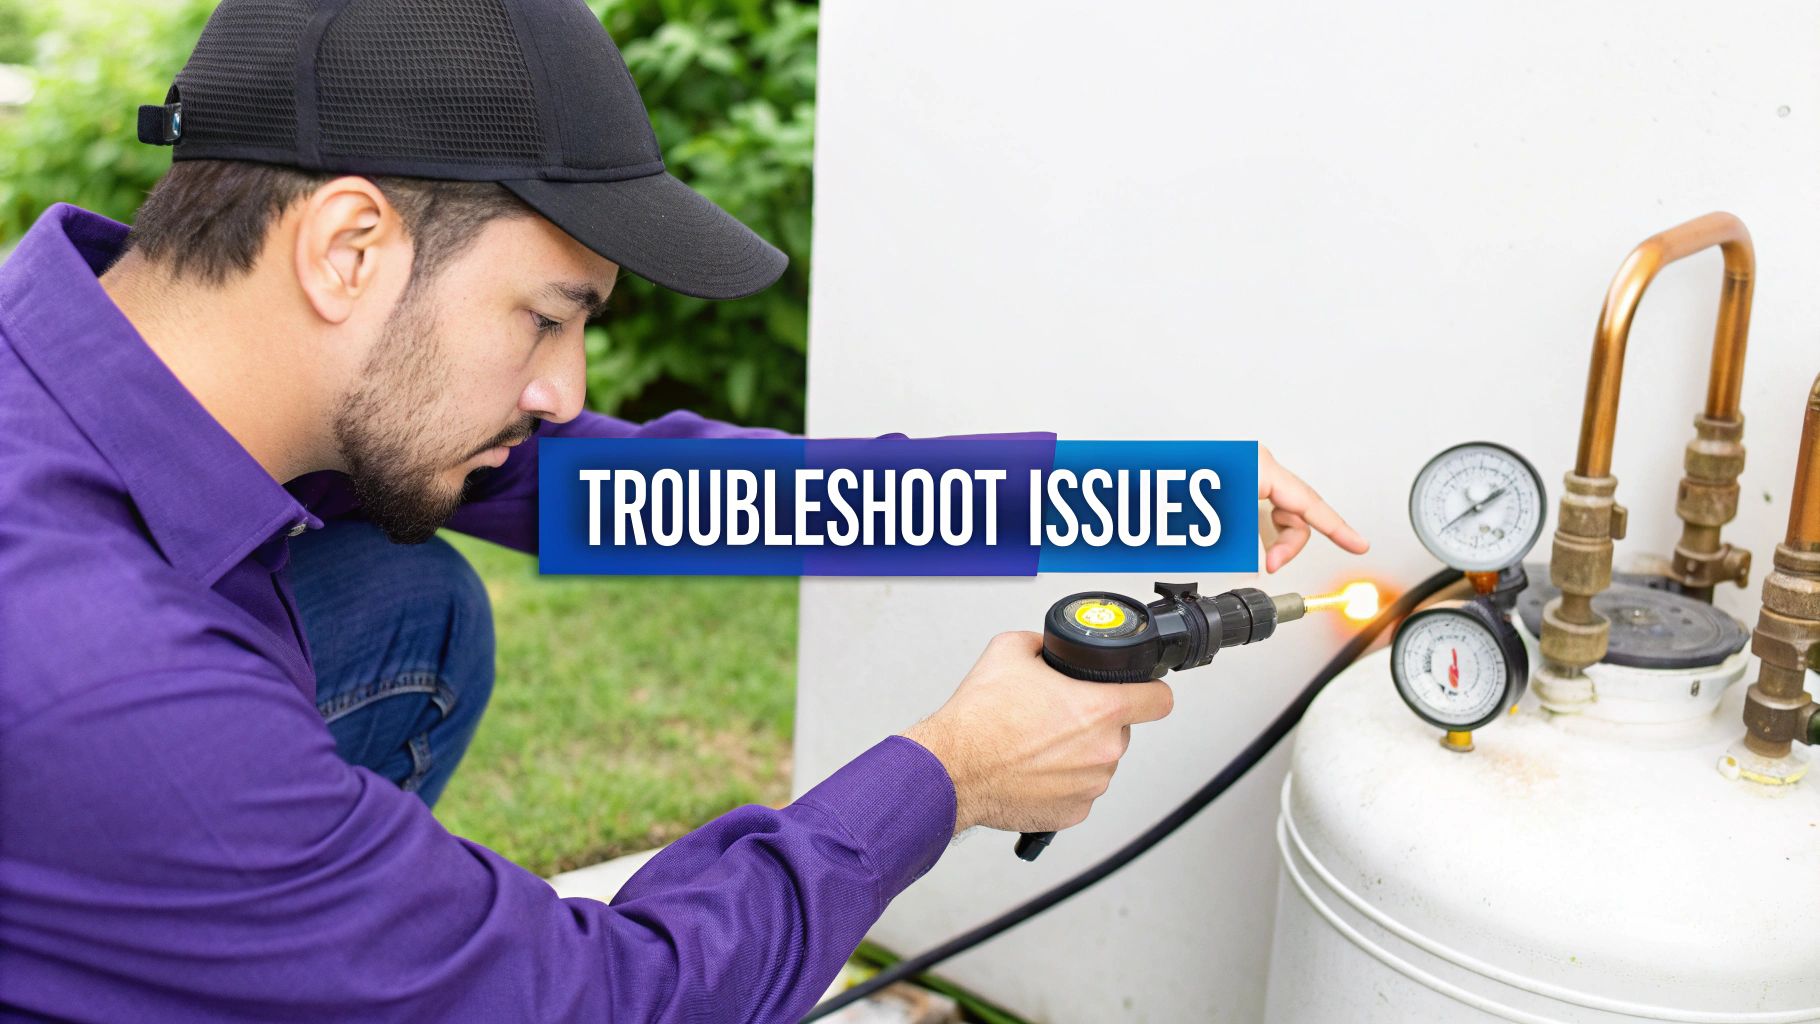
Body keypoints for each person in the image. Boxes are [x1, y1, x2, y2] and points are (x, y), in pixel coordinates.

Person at [0, 1, 1368, 1020]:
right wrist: (943, 776)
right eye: (545, 318)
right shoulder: (107, 678)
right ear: (348, 248)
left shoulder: (126, 351)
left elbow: (659, 493)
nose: (562, 389)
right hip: (124, 770)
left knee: (405, 601)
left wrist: (1137, 497)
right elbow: (602, 1001)